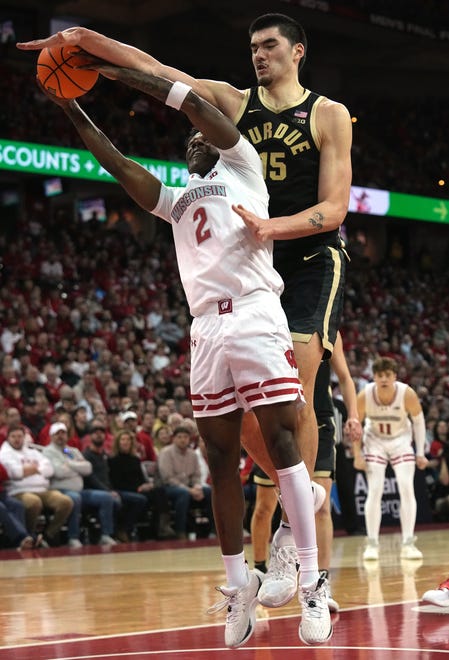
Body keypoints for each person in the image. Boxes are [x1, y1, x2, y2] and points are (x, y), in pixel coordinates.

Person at [18, 9, 352, 602]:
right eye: (252, 46)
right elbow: (154, 72)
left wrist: (274, 226)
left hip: (306, 256)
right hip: (247, 265)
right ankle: (298, 498)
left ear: (298, 51)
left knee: (297, 369)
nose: (259, 54)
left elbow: (335, 208)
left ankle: (286, 536)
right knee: (253, 425)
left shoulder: (326, 114)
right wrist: (82, 46)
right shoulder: (230, 103)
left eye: (270, 45)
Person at [245, 331, 362, 611]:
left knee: (320, 506)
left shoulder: (328, 330)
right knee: (265, 506)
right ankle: (261, 571)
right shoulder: (272, 318)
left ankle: (320, 582)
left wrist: (354, 415)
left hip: (318, 420)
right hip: (280, 418)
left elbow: (344, 377)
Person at [354, 357, 428, 561]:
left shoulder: (407, 394)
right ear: (374, 377)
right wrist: (357, 453)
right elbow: (356, 424)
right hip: (374, 441)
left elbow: (419, 422)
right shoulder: (365, 395)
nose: (383, 379)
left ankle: (408, 542)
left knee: (406, 486)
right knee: (375, 489)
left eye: (387, 375)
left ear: (395, 376)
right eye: (379, 375)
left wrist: (420, 452)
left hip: (401, 440)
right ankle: (372, 544)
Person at [42, 421, 117, 547]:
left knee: (106, 497)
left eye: (63, 433)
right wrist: (77, 469)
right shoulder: (48, 452)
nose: (61, 436)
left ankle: (106, 535)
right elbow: (58, 472)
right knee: (75, 498)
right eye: (57, 434)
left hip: (80, 490)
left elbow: (87, 468)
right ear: (51, 436)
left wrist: (69, 465)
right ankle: (73, 536)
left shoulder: (69, 451)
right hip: (60, 490)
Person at [0, 425, 73, 545]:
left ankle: (47, 536)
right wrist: (37, 469)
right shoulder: (4, 453)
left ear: (24, 437)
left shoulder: (32, 451)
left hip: (42, 489)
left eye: (19, 436)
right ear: (8, 438)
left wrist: (29, 470)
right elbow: (15, 473)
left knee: (66, 501)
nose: (17, 439)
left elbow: (50, 470)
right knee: (34, 502)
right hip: (19, 490)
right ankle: (29, 536)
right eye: (13, 436)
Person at [108, 429, 175, 540]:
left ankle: (161, 527)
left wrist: (146, 485)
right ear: (118, 442)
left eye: (128, 440)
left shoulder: (135, 459)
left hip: (137, 489)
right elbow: (116, 482)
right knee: (140, 499)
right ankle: (124, 529)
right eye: (123, 440)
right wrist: (138, 487)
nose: (125, 442)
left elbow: (140, 478)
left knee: (159, 491)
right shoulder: (112, 460)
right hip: (122, 491)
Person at [157, 425, 212, 540]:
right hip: (168, 488)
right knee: (183, 494)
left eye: (186, 437)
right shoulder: (166, 452)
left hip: (190, 486)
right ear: (174, 438)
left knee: (209, 491)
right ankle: (180, 530)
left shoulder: (192, 454)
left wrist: (197, 487)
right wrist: (190, 490)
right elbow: (168, 477)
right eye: (180, 437)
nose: (183, 440)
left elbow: (197, 475)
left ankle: (212, 529)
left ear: (189, 439)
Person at [0, 460, 35, 550]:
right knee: (1, 508)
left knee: (17, 505)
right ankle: (22, 538)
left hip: (2, 494)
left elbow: (4, 475)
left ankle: (17, 542)